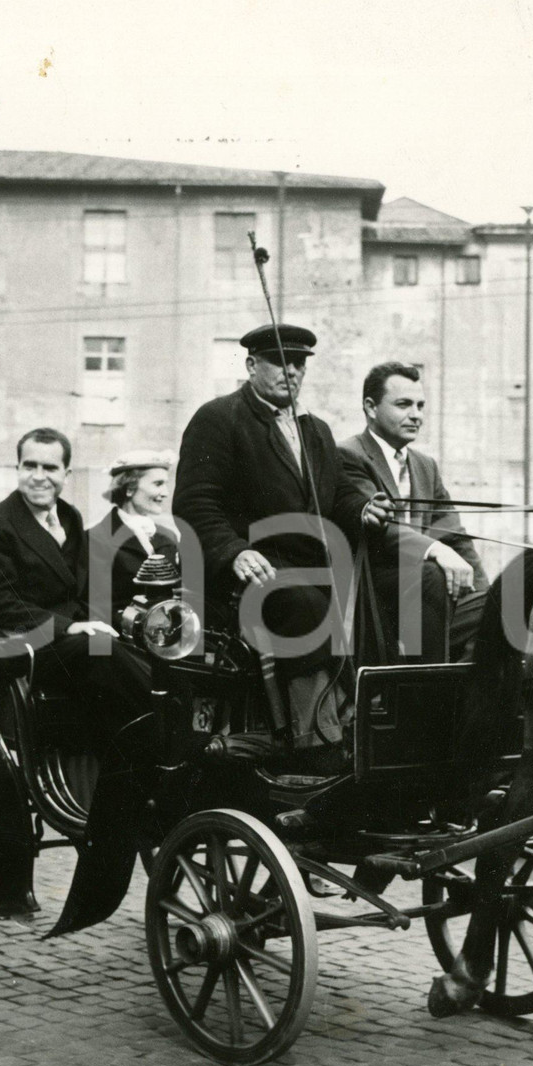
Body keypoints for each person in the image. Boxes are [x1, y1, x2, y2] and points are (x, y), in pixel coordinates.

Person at [173, 323, 390, 770]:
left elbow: (337, 493)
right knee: (303, 603)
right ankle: (317, 741)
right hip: (242, 577)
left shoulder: (315, 430)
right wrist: (235, 551)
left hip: (309, 571)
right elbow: (195, 504)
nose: (291, 371)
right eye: (279, 362)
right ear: (252, 365)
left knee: (377, 601)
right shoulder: (219, 418)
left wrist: (363, 509)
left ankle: (361, 724)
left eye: (299, 364)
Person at [0, 426, 150, 711]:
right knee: (101, 649)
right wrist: (70, 626)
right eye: (30, 466)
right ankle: (168, 740)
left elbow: (81, 589)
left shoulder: (69, 517)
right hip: (26, 643)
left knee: (155, 650)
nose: (39, 477)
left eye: (50, 467)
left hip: (70, 638)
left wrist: (126, 619)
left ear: (66, 474)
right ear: (18, 469)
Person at [338, 362, 488, 662]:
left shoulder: (425, 465)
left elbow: (455, 537)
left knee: (503, 605)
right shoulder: (349, 455)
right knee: (431, 575)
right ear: (371, 407)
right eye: (403, 405)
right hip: (373, 598)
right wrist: (436, 550)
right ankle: (423, 698)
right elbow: (382, 526)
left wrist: (484, 592)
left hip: (425, 597)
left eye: (420, 405)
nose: (416, 415)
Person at [83, 451, 179, 624]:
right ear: (129, 489)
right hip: (122, 639)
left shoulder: (168, 536)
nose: (165, 493)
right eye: (158, 484)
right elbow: (95, 607)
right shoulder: (94, 538)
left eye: (166, 484)